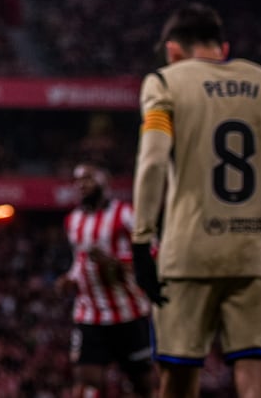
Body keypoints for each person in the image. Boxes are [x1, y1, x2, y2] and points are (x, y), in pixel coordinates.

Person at [131, 3, 261, 398]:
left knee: (177, 374)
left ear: (173, 50)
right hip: (257, 253)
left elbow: (154, 163)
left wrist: (142, 238)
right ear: (223, 49)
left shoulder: (166, 81)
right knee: (258, 377)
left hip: (188, 252)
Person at [57, 163, 154, 397]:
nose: (81, 184)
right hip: (90, 314)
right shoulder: (73, 220)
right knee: (86, 384)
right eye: (77, 180)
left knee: (144, 385)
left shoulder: (126, 214)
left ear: (104, 180)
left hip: (128, 312)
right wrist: (69, 279)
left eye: (88, 178)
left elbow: (152, 253)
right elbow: (79, 261)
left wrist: (115, 262)